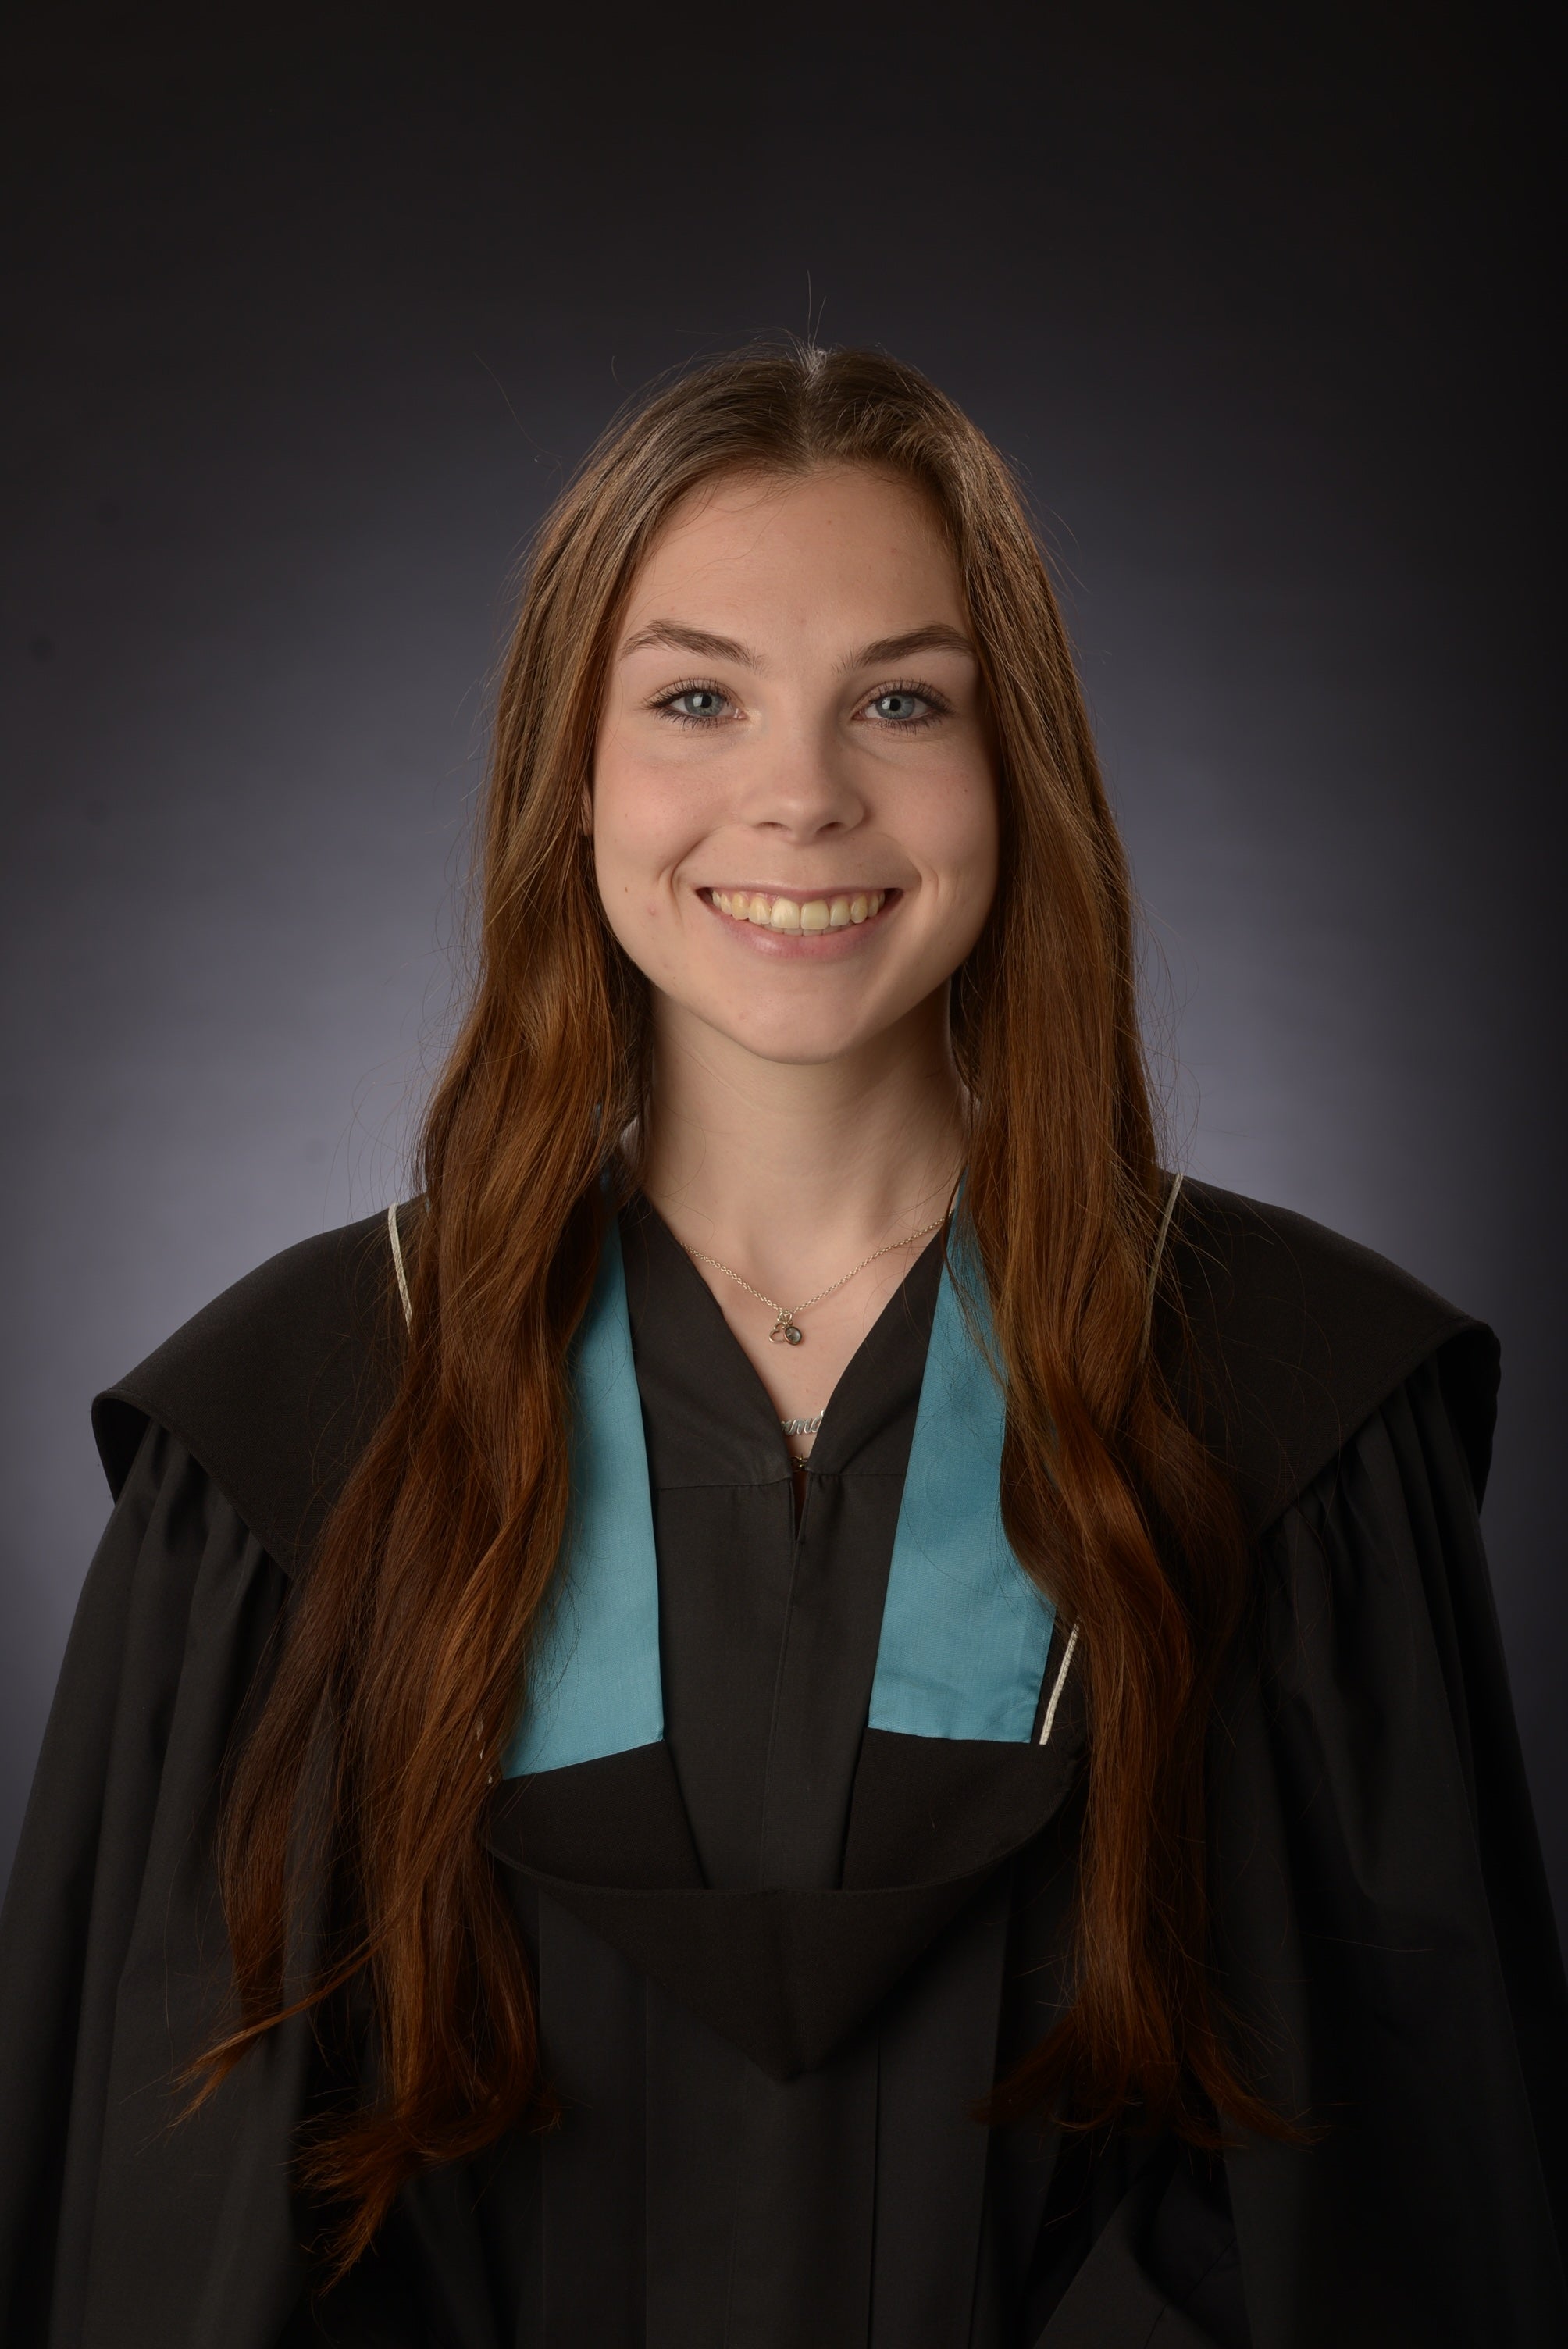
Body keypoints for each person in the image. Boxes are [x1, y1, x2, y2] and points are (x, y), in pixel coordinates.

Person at [0, 344, 1563, 2349]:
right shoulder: (300, 1435)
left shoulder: (1282, 1415)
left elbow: (1396, 2209)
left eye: (900, 700)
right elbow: (177, 2237)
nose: (801, 792)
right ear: (572, 774)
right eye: (695, 698)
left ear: (1019, 775)